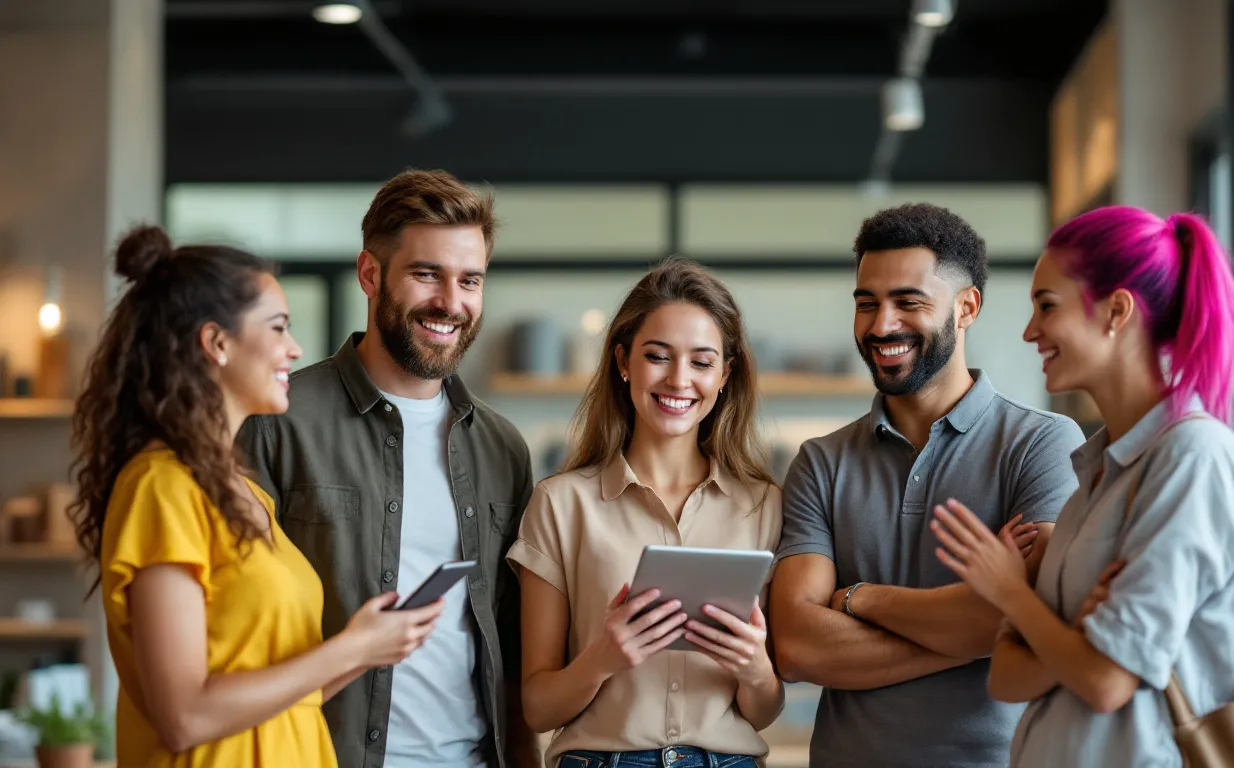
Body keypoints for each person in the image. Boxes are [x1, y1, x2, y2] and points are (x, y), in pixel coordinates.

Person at [69, 226, 443, 768]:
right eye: (278, 327)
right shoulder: (161, 487)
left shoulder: (246, 493)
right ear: (216, 342)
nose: (294, 348)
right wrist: (352, 648)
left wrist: (372, 645)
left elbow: (287, 693)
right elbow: (185, 717)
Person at [930, 205, 1234, 767]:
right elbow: (1007, 678)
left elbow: (1106, 683)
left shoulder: (1192, 456)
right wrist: (1074, 642)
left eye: (1047, 306)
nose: (1029, 330)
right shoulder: (1098, 472)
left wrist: (1011, 592)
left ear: (1116, 311)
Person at [238, 170, 538, 768]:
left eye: (470, 280)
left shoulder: (503, 448)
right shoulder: (276, 422)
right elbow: (235, 630)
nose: (451, 303)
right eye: (427, 274)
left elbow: (509, 643)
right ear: (370, 274)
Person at [768, 203, 1086, 767]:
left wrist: (857, 599)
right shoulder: (821, 461)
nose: (882, 325)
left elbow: (1035, 617)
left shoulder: (1043, 444)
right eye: (867, 304)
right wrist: (978, 629)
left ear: (968, 308)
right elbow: (795, 647)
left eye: (908, 302)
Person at [507, 257, 785, 768]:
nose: (679, 380)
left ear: (725, 375)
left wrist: (755, 668)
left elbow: (764, 711)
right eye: (658, 356)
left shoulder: (765, 505)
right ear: (622, 361)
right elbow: (537, 708)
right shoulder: (560, 504)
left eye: (702, 362)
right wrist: (602, 659)